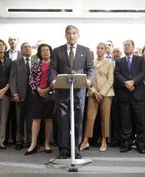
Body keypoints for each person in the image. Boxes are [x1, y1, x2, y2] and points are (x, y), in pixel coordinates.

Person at [49, 25, 94, 159]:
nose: (71, 35)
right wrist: (53, 80)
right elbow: (53, 69)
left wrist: (90, 80)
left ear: (78, 35)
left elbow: (91, 68)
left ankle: (75, 148)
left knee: (78, 121)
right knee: (63, 120)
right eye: (69, 33)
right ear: (65, 35)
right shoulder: (57, 51)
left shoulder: (85, 50)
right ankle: (63, 149)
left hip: (79, 91)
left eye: (74, 33)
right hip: (62, 91)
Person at [114, 40, 145, 154]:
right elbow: (117, 74)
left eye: (128, 45)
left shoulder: (140, 59)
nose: (126, 47)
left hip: (138, 94)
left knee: (140, 121)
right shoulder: (119, 61)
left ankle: (141, 144)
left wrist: (133, 82)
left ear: (133, 47)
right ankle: (126, 144)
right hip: (124, 95)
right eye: (125, 45)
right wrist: (126, 83)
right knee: (126, 121)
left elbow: (143, 73)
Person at [80, 42, 114, 152]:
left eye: (102, 48)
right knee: (90, 117)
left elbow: (110, 80)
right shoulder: (91, 63)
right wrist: (94, 92)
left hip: (106, 94)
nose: (99, 50)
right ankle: (85, 141)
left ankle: (104, 140)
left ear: (105, 50)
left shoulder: (109, 63)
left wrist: (102, 93)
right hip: (92, 93)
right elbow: (87, 79)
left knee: (105, 117)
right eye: (98, 48)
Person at [25, 43, 55, 155]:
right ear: (39, 53)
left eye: (47, 50)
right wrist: (38, 89)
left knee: (48, 119)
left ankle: (47, 144)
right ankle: (33, 144)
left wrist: (46, 89)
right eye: (43, 50)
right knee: (36, 119)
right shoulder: (35, 65)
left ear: (50, 52)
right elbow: (31, 79)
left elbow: (57, 80)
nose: (46, 52)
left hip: (51, 94)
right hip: (36, 94)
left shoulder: (54, 65)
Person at [10, 42, 38, 150]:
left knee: (31, 120)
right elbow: (12, 79)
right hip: (20, 95)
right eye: (25, 47)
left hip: (33, 96)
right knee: (19, 119)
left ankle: (30, 141)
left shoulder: (36, 62)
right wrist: (14, 93)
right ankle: (19, 140)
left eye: (29, 47)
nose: (27, 48)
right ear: (21, 50)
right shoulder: (15, 62)